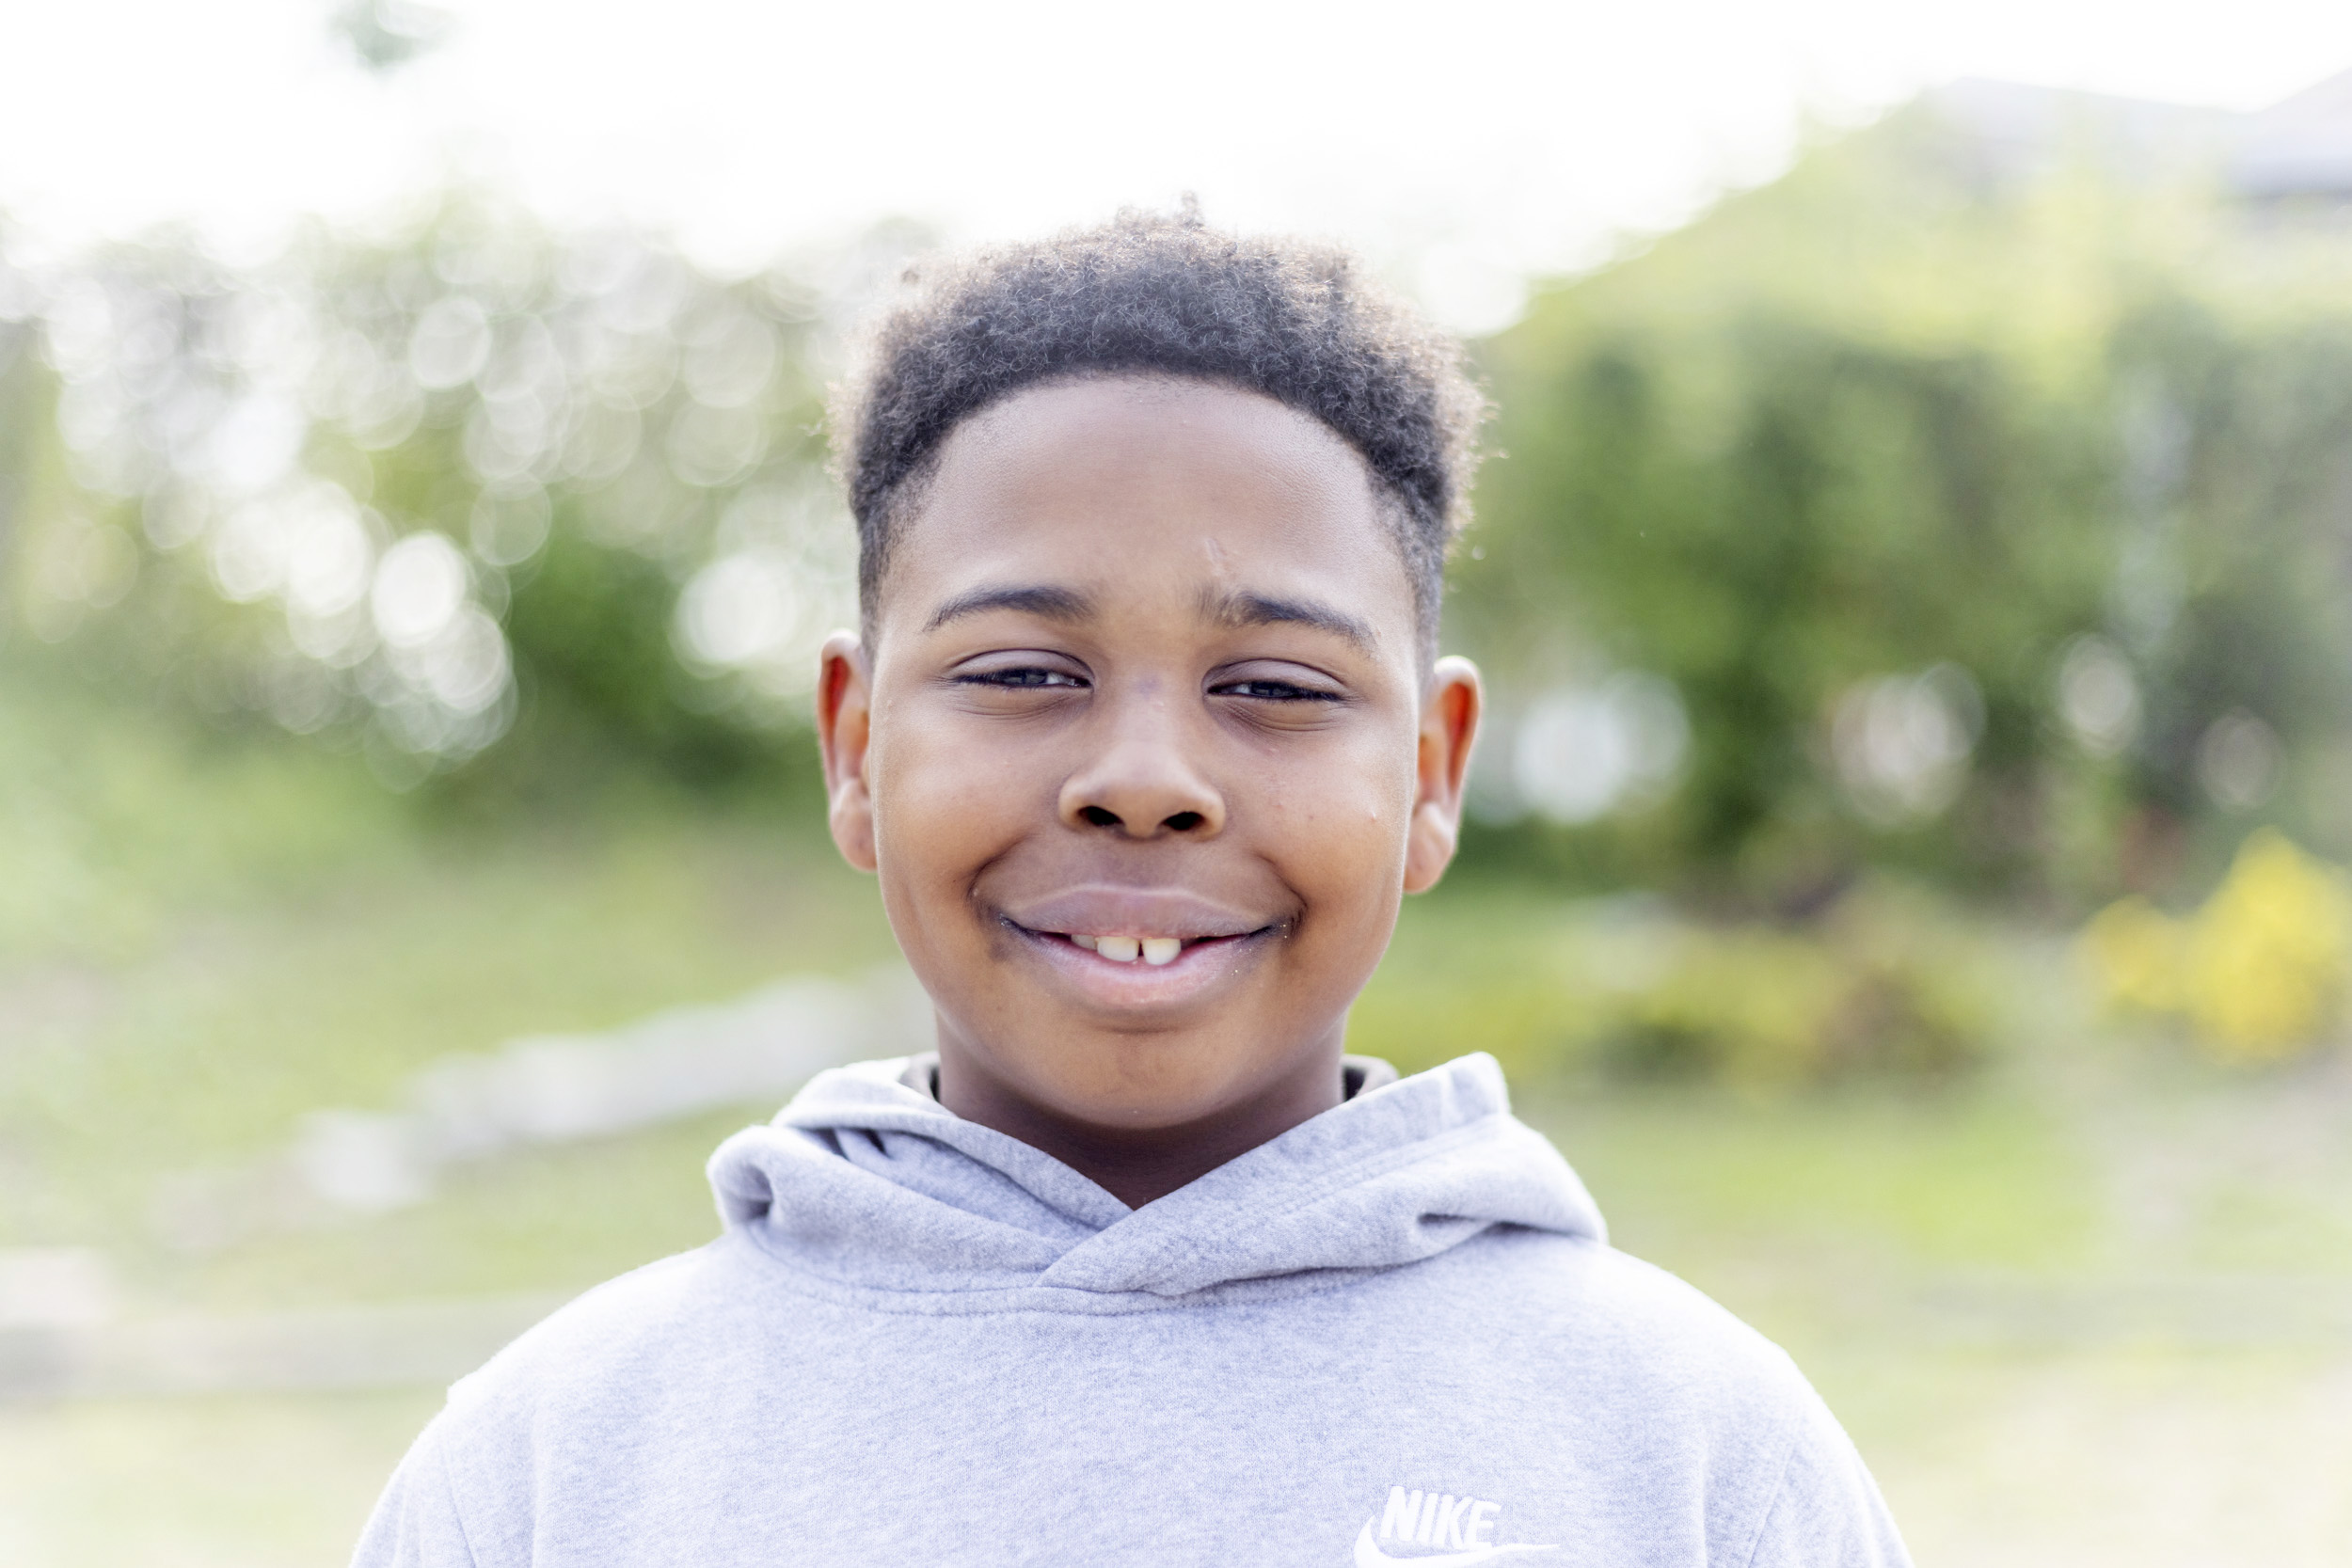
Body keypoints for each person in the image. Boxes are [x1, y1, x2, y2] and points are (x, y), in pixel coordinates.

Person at [354, 212, 1911, 1567]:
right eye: (1024, 672)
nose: (1147, 776)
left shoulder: (1689, 1451)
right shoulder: (558, 1467)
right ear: (855, 745)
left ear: (1433, 773)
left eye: (1277, 687)